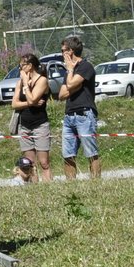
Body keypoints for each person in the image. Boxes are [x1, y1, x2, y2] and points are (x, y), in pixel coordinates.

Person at [56, 34, 100, 180]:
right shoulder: (70, 71)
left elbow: (69, 85)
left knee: (91, 152)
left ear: (70, 52)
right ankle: (71, 184)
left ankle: (95, 182)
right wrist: (74, 84)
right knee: (68, 154)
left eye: (63, 50)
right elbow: (62, 94)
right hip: (69, 116)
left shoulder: (86, 66)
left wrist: (70, 72)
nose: (62, 54)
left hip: (85, 114)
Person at [10, 52, 52, 182]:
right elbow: (14, 104)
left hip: (40, 125)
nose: (20, 68)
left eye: (22, 65)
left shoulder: (42, 80)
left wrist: (27, 85)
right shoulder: (19, 83)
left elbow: (34, 98)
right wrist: (30, 103)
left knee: (43, 162)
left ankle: (49, 187)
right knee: (29, 163)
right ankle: (34, 188)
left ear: (31, 65)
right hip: (24, 126)